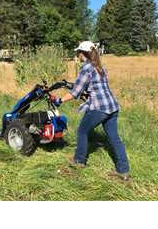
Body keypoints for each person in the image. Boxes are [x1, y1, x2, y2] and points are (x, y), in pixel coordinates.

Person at [52, 41, 130, 181]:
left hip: (99, 108)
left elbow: (75, 92)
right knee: (114, 138)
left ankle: (79, 161)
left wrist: (59, 100)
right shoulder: (100, 67)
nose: (77, 55)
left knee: (82, 131)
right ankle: (123, 172)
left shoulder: (86, 68)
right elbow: (96, 88)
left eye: (78, 53)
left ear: (83, 53)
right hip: (112, 106)